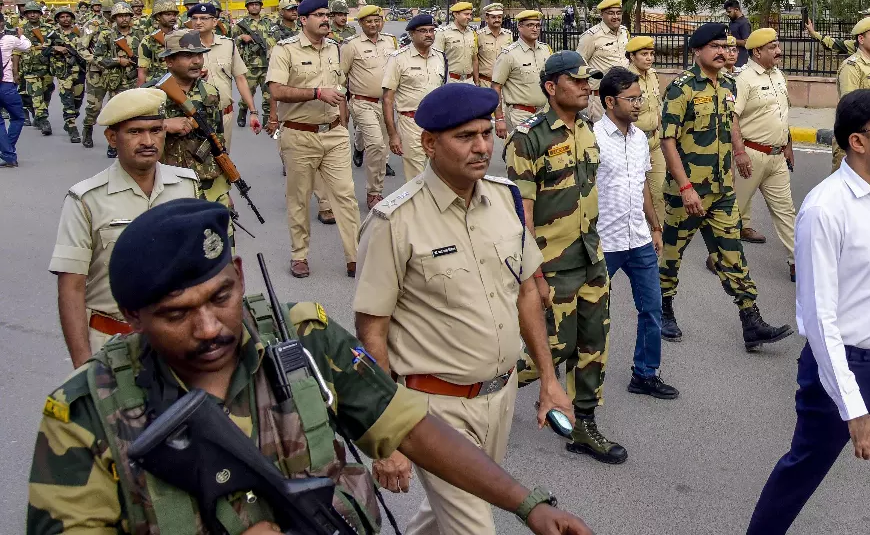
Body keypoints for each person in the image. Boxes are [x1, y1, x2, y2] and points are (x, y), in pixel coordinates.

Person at [29, 198, 594, 535]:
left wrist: (528, 505)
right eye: (175, 314)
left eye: (220, 298)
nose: (208, 329)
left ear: (242, 277)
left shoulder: (301, 340)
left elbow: (411, 427)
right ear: (131, 317)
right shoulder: (88, 412)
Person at [355, 83, 575, 535]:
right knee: (475, 527)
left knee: (449, 511)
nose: (481, 147)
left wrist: (549, 380)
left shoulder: (505, 199)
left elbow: (526, 292)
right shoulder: (395, 222)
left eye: (485, 133)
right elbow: (371, 329)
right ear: (429, 143)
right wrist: (388, 432)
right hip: (435, 408)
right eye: (465, 137)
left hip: (501, 395)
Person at [746, 89, 870, 535]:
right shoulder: (825, 210)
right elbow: (819, 320)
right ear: (858, 142)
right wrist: (856, 412)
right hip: (841, 367)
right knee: (803, 468)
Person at [507, 51, 628, 464]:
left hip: (590, 257)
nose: (585, 87)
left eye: (587, 81)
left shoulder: (589, 130)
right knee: (552, 349)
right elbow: (520, 216)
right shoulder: (529, 137)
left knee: (593, 344)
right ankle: (479, 389)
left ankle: (584, 426)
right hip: (551, 264)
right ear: (551, 87)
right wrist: (534, 276)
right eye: (576, 81)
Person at [657, 22, 793, 349]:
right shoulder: (682, 88)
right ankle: (663, 309)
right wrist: (686, 187)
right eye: (715, 46)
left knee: (733, 256)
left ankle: (752, 321)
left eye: (725, 45)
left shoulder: (728, 84)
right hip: (686, 194)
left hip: (721, 191)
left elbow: (731, 119)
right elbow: (667, 141)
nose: (722, 51)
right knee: (671, 258)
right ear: (697, 51)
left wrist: (740, 150)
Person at [47, 88, 199, 365]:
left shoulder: (186, 185)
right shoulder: (86, 199)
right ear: (111, 138)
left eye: (156, 130)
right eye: (135, 132)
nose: (148, 141)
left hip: (179, 343)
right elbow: (72, 288)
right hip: (113, 347)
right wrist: (83, 366)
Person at [594, 66, 679, 399]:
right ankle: (551, 365)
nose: (638, 104)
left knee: (652, 308)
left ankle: (644, 374)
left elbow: (643, 183)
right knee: (586, 312)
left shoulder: (641, 138)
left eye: (640, 97)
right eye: (631, 98)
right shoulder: (593, 138)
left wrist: (655, 226)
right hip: (604, 241)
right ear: (610, 101)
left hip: (638, 238)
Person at [266, 0, 360, 279]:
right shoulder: (285, 50)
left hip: (333, 133)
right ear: (303, 19)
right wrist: (316, 93)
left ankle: (355, 256)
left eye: (327, 14)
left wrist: (343, 124)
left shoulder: (335, 49)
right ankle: (299, 255)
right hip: (299, 135)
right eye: (318, 15)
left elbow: (340, 88)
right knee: (299, 199)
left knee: (345, 196)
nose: (325, 19)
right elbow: (277, 91)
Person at [732, 28, 797, 280]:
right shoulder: (744, 79)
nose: (778, 51)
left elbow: (783, 114)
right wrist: (739, 152)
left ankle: (796, 262)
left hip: (777, 157)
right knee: (733, 209)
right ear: (757, 52)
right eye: (772, 47)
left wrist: (788, 144)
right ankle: (718, 255)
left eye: (778, 45)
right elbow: (732, 118)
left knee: (786, 210)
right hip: (751, 154)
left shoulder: (779, 75)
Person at [146, 30, 235, 209]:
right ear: (169, 61)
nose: (196, 61)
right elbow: (130, 136)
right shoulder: (150, 94)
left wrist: (224, 190)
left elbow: (218, 141)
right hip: (167, 184)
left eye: (199, 55)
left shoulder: (210, 92)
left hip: (208, 182)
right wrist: (163, 125)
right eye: (188, 56)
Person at [807, 15, 870, 170]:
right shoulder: (852, 67)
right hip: (853, 140)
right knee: (843, 189)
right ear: (861, 39)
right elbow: (850, 109)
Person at [342, 4, 400, 208]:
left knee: (383, 149)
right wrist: (342, 107)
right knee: (375, 144)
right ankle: (373, 193)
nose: (374, 24)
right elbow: (341, 77)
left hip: (386, 103)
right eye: (369, 21)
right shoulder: (351, 45)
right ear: (361, 24)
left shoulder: (392, 42)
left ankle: (377, 188)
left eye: (377, 20)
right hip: (362, 102)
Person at [383, 12, 448, 181]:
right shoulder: (398, 59)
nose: (429, 34)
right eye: (423, 31)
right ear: (412, 34)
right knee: (417, 178)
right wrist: (393, 135)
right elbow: (388, 99)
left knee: (438, 174)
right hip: (411, 124)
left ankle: (434, 207)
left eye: (432, 30)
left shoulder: (441, 57)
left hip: (436, 125)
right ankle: (418, 207)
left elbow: (443, 93)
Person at [187, 2, 262, 146]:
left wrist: (253, 111)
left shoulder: (228, 45)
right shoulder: (184, 48)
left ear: (214, 22)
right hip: (195, 117)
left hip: (224, 115)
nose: (198, 22)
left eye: (203, 18)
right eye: (194, 18)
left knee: (224, 159)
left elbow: (240, 78)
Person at [86, 2, 145, 157]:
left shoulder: (139, 33)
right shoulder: (107, 35)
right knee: (116, 113)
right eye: (120, 16)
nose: (124, 19)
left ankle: (134, 144)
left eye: (126, 15)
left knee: (135, 113)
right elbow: (97, 58)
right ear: (114, 18)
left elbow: (147, 55)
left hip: (135, 79)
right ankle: (113, 144)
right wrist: (117, 61)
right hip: (115, 80)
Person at [492, 10, 553, 139]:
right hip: (520, 116)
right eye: (530, 25)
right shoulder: (509, 54)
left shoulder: (546, 50)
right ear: (520, 27)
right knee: (521, 156)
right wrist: (499, 119)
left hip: (545, 112)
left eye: (537, 25)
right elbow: (496, 87)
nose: (535, 29)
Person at [626, 36, 666, 215]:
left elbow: (657, 106)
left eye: (651, 53)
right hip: (633, 142)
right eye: (643, 54)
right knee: (634, 195)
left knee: (660, 191)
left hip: (655, 141)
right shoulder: (625, 79)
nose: (649, 58)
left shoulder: (653, 75)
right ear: (632, 57)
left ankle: (660, 237)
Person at [577, 0, 629, 121]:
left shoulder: (624, 32)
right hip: (600, 99)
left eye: (618, 13)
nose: (615, 16)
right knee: (601, 138)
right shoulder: (591, 36)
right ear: (602, 15)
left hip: (623, 96)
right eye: (611, 13)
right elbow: (579, 65)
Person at [45, 5, 88, 143]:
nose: (65, 19)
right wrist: (55, 48)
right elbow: (43, 51)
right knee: (67, 101)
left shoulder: (79, 32)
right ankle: (72, 127)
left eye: (68, 16)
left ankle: (71, 120)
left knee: (78, 101)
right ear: (57, 19)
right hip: (63, 72)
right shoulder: (53, 33)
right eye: (62, 17)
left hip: (79, 71)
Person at [235, 0, 274, 127]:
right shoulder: (241, 24)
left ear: (261, 6)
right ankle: (242, 112)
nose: (254, 7)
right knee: (248, 93)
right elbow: (231, 42)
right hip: (249, 65)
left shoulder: (268, 23)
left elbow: (276, 38)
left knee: (268, 95)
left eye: (257, 4)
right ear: (247, 7)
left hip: (266, 64)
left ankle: (266, 119)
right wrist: (241, 38)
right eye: (251, 5)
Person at [18, 1, 54, 136]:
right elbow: (16, 52)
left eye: (35, 12)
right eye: (29, 12)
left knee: (47, 94)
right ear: (26, 14)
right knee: (36, 95)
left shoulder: (49, 29)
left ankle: (39, 115)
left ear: (40, 14)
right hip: (29, 69)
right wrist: (15, 72)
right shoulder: (20, 30)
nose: (32, 15)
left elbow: (57, 45)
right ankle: (44, 120)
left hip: (47, 68)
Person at [0, 23, 32, 166]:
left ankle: (8, 153)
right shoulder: (8, 39)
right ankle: (8, 151)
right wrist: (21, 34)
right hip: (6, 85)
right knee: (18, 117)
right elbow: (26, 46)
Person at [136, 0, 179, 85]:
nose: (173, 17)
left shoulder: (182, 36)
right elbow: (143, 71)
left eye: (174, 15)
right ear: (158, 17)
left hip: (178, 83)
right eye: (168, 14)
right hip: (157, 85)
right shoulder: (148, 41)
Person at [441, 1, 480, 83]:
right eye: (466, 14)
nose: (469, 17)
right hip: (451, 81)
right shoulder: (443, 33)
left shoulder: (472, 33)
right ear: (455, 15)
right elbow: (436, 59)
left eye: (470, 14)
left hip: (469, 81)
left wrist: (476, 81)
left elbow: (474, 59)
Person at [477, 2, 513, 87]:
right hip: (485, 83)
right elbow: (474, 60)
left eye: (499, 17)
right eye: (493, 17)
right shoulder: (479, 36)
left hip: (504, 84)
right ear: (486, 18)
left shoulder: (508, 35)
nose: (497, 20)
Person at [725, 0, 752, 68]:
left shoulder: (744, 23)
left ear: (736, 10)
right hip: (730, 57)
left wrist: (730, 40)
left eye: (729, 12)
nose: (728, 14)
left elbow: (747, 43)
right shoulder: (732, 22)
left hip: (741, 61)